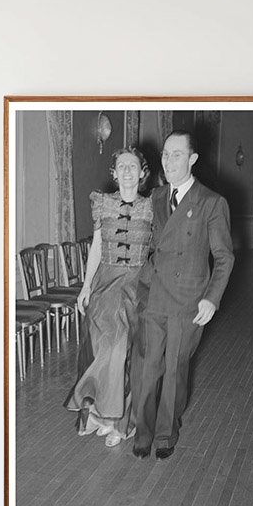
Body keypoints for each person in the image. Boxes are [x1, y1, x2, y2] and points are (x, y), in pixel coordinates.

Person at [130, 131, 234, 460]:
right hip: (154, 296)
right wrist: (141, 277)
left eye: (177, 155)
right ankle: (142, 431)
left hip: (188, 302)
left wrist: (211, 298)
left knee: (174, 371)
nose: (169, 161)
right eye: (165, 155)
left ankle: (165, 433)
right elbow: (145, 242)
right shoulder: (157, 196)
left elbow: (224, 257)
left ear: (192, 159)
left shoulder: (211, 202)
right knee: (147, 370)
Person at [64, 148, 153, 447]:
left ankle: (118, 420)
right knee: (104, 348)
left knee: (124, 351)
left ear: (142, 172)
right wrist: (86, 286)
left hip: (138, 284)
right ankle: (102, 415)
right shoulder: (102, 203)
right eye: (121, 166)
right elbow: (97, 247)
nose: (127, 171)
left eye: (133, 166)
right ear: (114, 173)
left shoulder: (154, 206)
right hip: (105, 281)